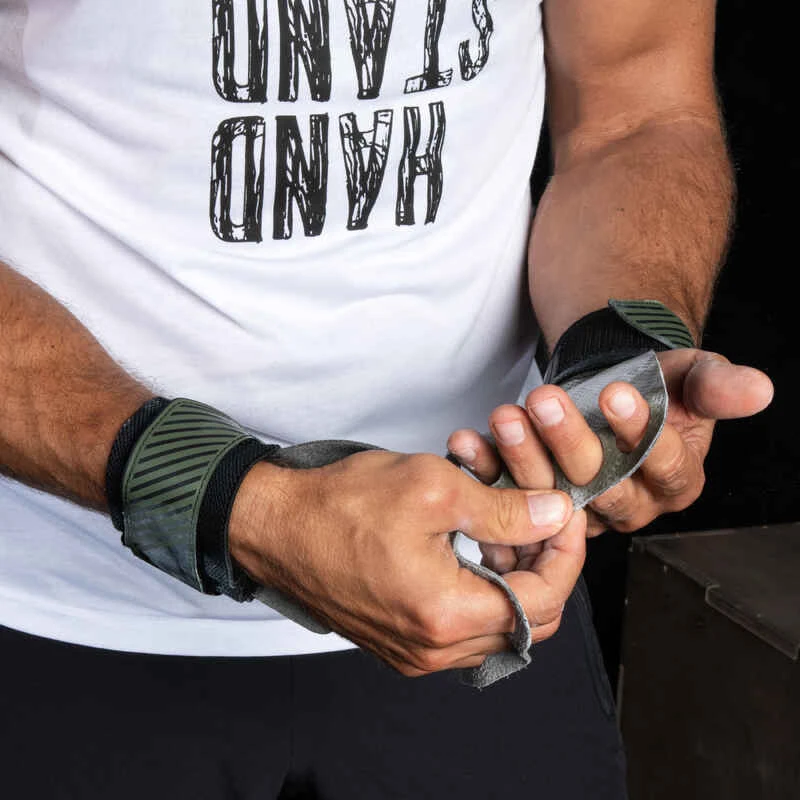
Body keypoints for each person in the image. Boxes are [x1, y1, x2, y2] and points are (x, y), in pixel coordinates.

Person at [0, 1, 773, 798]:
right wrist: (230, 503)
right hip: (55, 607)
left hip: (487, 596)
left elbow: (637, 106)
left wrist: (618, 356)